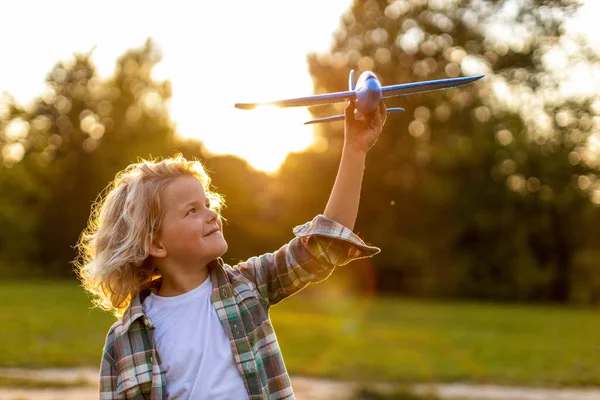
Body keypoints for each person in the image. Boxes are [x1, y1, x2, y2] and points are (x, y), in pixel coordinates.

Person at [74, 100, 387, 399]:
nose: (211, 214)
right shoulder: (123, 341)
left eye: (207, 204)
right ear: (155, 243)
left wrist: (355, 147)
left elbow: (325, 245)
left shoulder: (249, 285)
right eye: (191, 211)